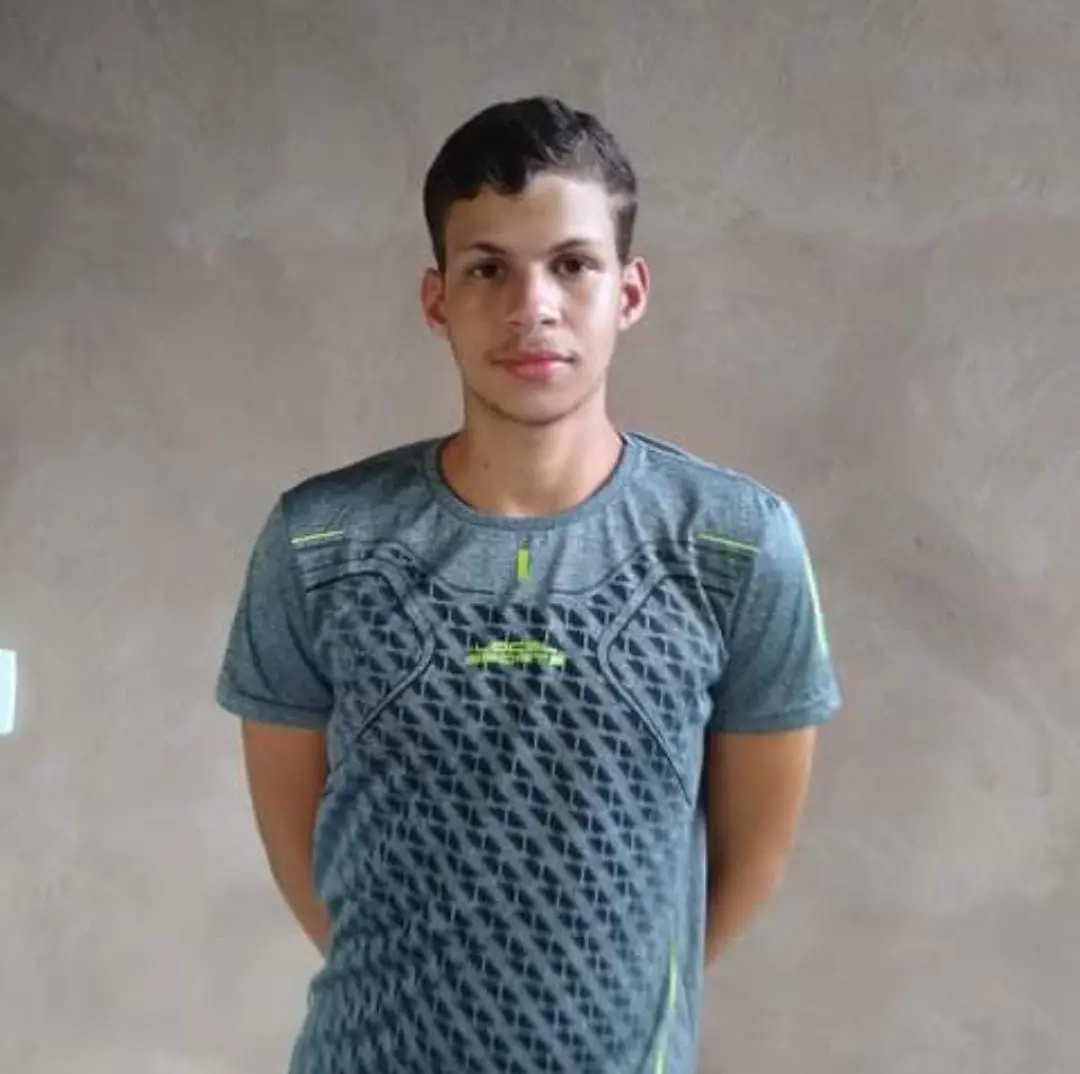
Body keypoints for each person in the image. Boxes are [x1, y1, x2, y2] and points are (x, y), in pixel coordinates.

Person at [215, 95, 842, 1074]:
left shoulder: (734, 547)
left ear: (629, 291)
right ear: (437, 300)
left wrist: (597, 1005)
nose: (532, 306)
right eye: (488, 268)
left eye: (572, 264)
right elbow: (304, 859)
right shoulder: (322, 541)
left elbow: (748, 860)